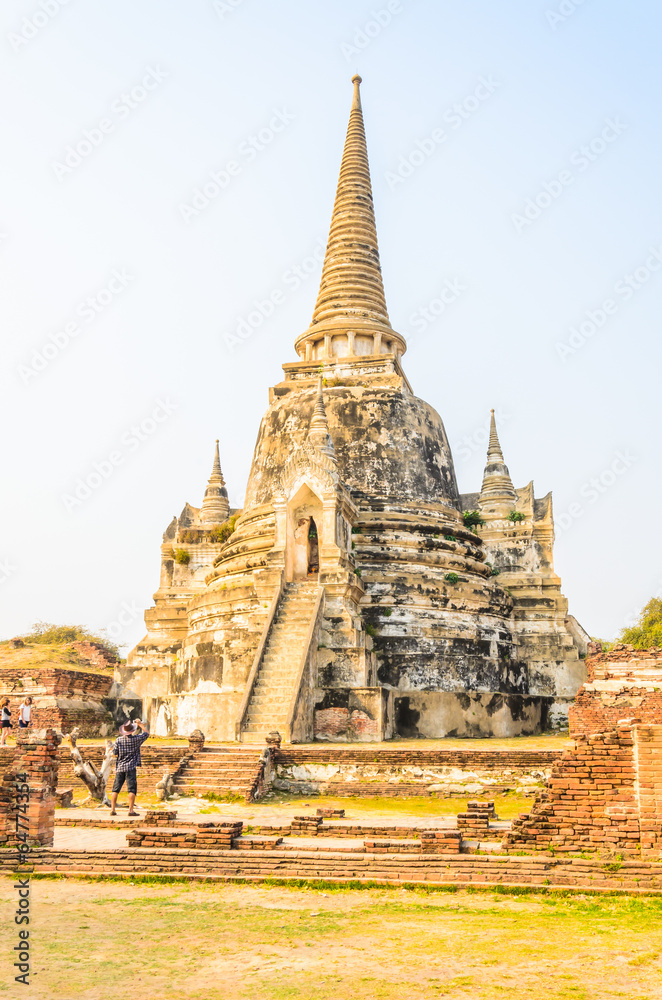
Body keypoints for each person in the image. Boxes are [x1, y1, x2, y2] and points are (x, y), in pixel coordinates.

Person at [109, 718, 150, 816]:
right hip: (131, 767)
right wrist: (140, 724)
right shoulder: (136, 740)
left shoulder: (118, 740)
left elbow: (115, 753)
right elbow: (146, 734)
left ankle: (113, 810)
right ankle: (130, 811)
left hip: (120, 767)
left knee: (115, 789)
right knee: (131, 789)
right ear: (132, 731)